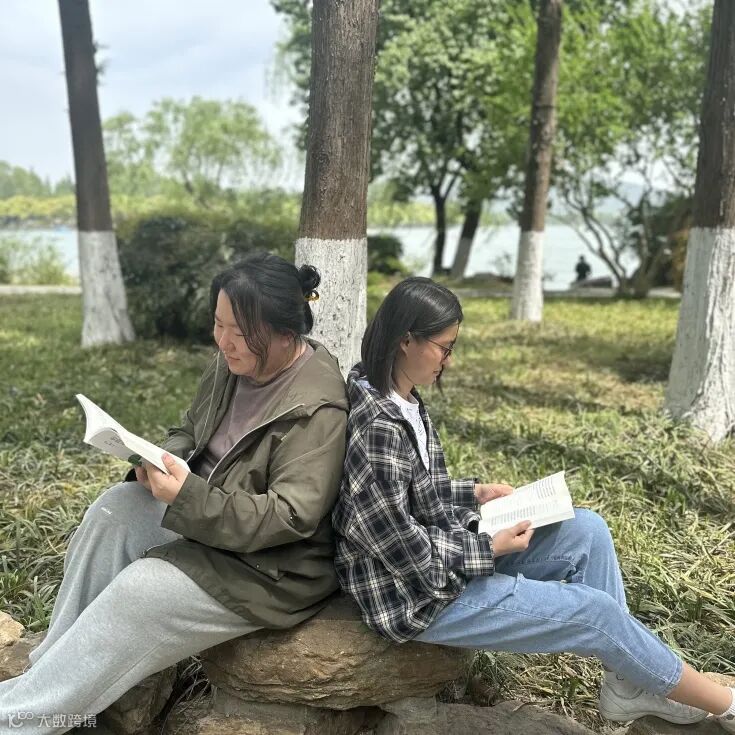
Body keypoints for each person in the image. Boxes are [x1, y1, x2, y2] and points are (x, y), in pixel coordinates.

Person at [332, 276, 735, 731]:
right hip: (414, 596)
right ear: (407, 340)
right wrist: (490, 548)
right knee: (595, 613)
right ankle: (725, 704)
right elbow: (401, 550)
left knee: (587, 531)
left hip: (444, 558)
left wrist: (475, 493)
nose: (449, 359)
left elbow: (407, 492)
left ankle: (626, 683)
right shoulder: (379, 427)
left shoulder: (401, 396)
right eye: (445, 348)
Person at [0, 252, 349, 734]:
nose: (223, 341)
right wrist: (162, 458)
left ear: (285, 333)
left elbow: (289, 517)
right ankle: (45, 678)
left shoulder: (318, 408)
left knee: (142, 590)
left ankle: (19, 721)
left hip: (270, 568)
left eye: (239, 332)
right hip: (208, 518)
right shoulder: (232, 363)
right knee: (115, 512)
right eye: (218, 324)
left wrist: (186, 495)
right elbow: (190, 429)